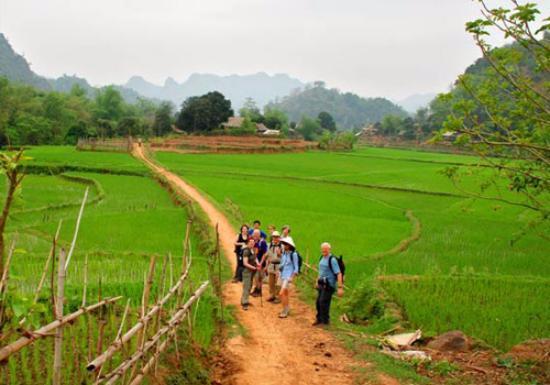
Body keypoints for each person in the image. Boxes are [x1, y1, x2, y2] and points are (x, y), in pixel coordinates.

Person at [313, 242, 344, 326]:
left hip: (329, 285)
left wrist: (340, 287)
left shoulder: (332, 260)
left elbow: (338, 273)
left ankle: (325, 320)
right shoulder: (321, 258)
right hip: (321, 283)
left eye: (326, 249)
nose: (324, 251)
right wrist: (317, 281)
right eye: (323, 249)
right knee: (318, 302)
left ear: (329, 250)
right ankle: (319, 319)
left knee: (323, 302)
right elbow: (320, 272)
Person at [278, 237, 299, 318]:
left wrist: (292, 277)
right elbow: (282, 264)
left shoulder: (293, 254)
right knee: (285, 293)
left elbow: (296, 267)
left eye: (286, 244)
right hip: (282, 275)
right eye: (284, 244)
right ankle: (286, 309)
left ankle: (284, 310)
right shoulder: (284, 254)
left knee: (281, 293)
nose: (284, 245)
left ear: (289, 245)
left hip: (288, 276)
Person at [241, 238, 259, 310]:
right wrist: (253, 268)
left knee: (250, 286)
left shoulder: (252, 250)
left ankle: (244, 300)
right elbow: (245, 263)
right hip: (247, 271)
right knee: (247, 287)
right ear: (247, 243)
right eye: (250, 242)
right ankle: (245, 303)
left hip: (252, 272)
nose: (252, 243)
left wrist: (258, 264)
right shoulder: (246, 251)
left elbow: (255, 258)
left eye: (253, 242)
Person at [265, 231, 283, 303]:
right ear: (272, 237)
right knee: (271, 281)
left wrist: (280, 254)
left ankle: (278, 296)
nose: (275, 238)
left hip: (279, 265)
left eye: (277, 237)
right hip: (271, 265)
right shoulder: (268, 245)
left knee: (278, 282)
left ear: (279, 238)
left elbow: (285, 257)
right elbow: (267, 256)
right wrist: (266, 266)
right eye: (274, 237)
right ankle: (272, 295)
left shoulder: (282, 246)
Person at [251, 229, 268, 296]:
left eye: (256, 234)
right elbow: (253, 252)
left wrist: (260, 263)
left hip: (261, 263)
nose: (254, 235)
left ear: (259, 235)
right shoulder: (254, 242)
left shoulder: (262, 242)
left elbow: (265, 253)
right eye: (254, 234)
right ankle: (256, 289)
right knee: (256, 277)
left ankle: (259, 290)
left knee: (259, 277)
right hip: (255, 262)